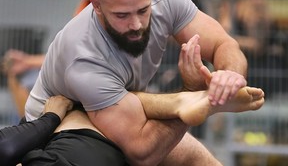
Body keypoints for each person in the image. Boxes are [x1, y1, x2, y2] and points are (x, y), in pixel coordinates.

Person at [24, 0, 257, 165]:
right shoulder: (83, 55)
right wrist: (194, 94)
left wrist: (230, 74)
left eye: (143, 10)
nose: (136, 25)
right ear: (97, 6)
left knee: (199, 158)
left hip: (119, 102)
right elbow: (143, 153)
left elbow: (223, 44)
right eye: (122, 15)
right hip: (60, 126)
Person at [1, 86, 264, 166]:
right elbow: (8, 147)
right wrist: (51, 118)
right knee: (88, 105)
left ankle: (185, 102)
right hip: (79, 156)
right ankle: (183, 99)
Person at [1, 0, 108, 117]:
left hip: (88, 78)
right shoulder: (83, 6)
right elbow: (66, 51)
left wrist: (28, 62)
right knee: (18, 74)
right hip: (73, 71)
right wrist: (27, 62)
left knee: (27, 82)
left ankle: (34, 131)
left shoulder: (103, 7)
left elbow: (73, 55)